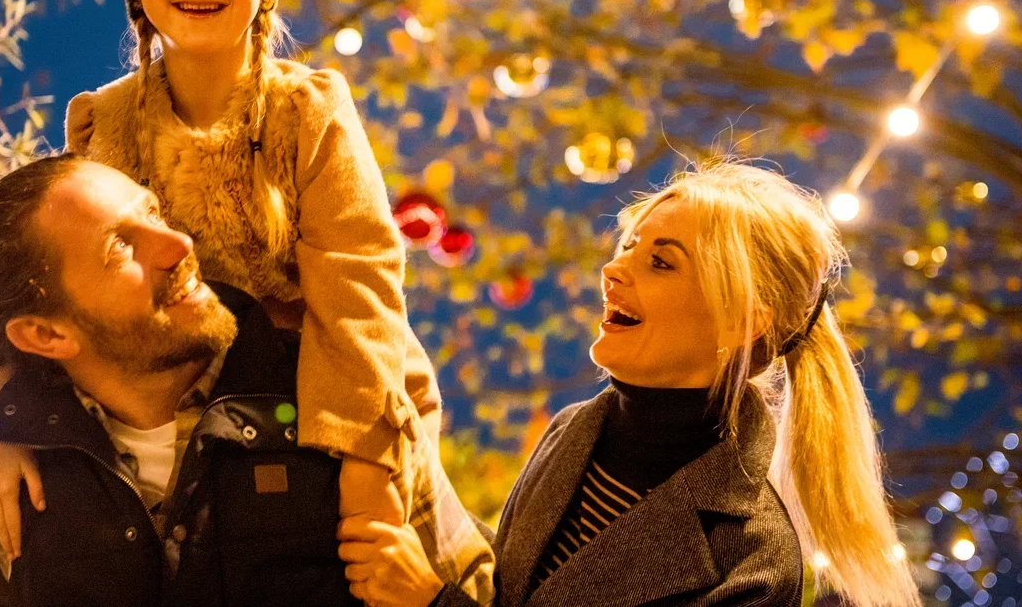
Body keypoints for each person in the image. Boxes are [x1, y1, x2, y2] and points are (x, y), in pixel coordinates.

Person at [0, 0, 493, 603]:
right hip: (165, 379)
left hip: (322, 382)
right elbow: (45, 281)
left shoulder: (307, 111)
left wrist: (367, 469)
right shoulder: (103, 117)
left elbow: (358, 280)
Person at [337, 161, 920, 607]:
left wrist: (431, 601)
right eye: (628, 247)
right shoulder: (577, 429)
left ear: (744, 319)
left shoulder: (753, 558)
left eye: (661, 262)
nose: (614, 269)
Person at [0, 154, 493, 607]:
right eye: (121, 246)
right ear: (46, 336)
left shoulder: (345, 399)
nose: (178, 245)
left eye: (153, 214)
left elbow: (476, 587)